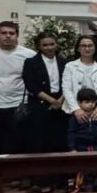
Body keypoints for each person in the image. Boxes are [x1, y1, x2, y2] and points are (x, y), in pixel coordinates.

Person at [0, 21, 36, 154]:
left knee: (15, 144)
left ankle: (15, 174)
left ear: (17, 35)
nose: (8, 36)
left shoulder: (29, 54)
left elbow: (32, 80)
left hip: (18, 106)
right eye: (4, 33)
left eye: (11, 33)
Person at [21, 30, 67, 158]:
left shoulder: (63, 61)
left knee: (59, 139)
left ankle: (60, 175)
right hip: (40, 104)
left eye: (52, 44)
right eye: (45, 45)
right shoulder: (31, 62)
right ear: (39, 47)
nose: (49, 48)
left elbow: (69, 83)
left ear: (56, 44)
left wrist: (60, 100)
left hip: (61, 104)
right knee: (40, 141)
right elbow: (31, 85)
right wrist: (52, 101)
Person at [68, 87, 97, 191]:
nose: (91, 104)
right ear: (79, 103)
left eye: (93, 102)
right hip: (82, 147)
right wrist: (72, 148)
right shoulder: (75, 118)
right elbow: (71, 133)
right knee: (85, 168)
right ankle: (86, 183)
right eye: (87, 102)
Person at [62, 34, 97, 123]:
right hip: (76, 112)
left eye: (90, 46)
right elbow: (67, 89)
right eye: (83, 46)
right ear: (78, 48)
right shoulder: (70, 66)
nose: (87, 49)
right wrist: (76, 109)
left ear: (95, 48)